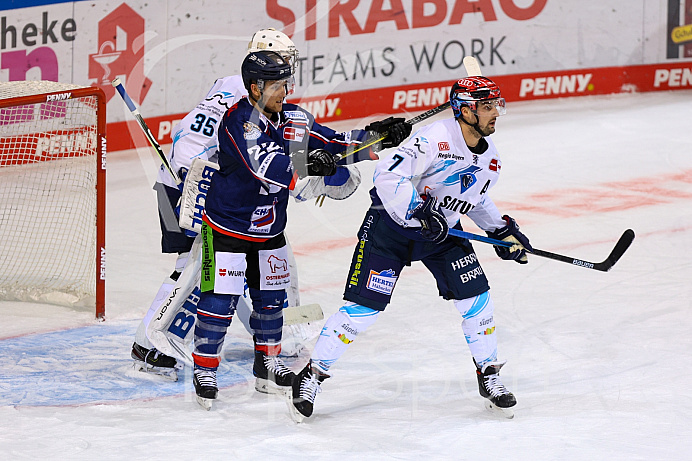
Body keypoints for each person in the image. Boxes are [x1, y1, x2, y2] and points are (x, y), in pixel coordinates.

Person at [287, 76, 532, 422]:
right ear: (466, 109)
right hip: (390, 228)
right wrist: (417, 210)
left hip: (442, 233)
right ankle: (310, 375)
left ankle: (488, 374)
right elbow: (387, 175)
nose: (496, 113)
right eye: (487, 106)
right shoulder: (432, 140)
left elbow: (473, 199)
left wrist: (502, 231)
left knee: (477, 299)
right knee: (362, 310)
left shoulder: (490, 159)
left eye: (496, 105)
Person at [191, 50, 411, 409]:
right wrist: (308, 162)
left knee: (271, 302)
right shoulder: (238, 122)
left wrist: (378, 137)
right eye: (277, 85)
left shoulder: (294, 117)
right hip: (227, 227)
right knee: (219, 300)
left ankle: (267, 364)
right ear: (254, 87)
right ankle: (206, 368)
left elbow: (336, 144)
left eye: (286, 83)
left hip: (269, 231)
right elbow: (264, 164)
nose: (284, 91)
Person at [131, 28, 354, 382]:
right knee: (201, 269)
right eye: (283, 60)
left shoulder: (238, 83)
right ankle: (151, 345)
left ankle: (271, 337)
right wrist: (196, 182)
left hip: (190, 180)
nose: (287, 69)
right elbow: (195, 139)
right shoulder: (246, 95)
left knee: (245, 266)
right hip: (189, 185)